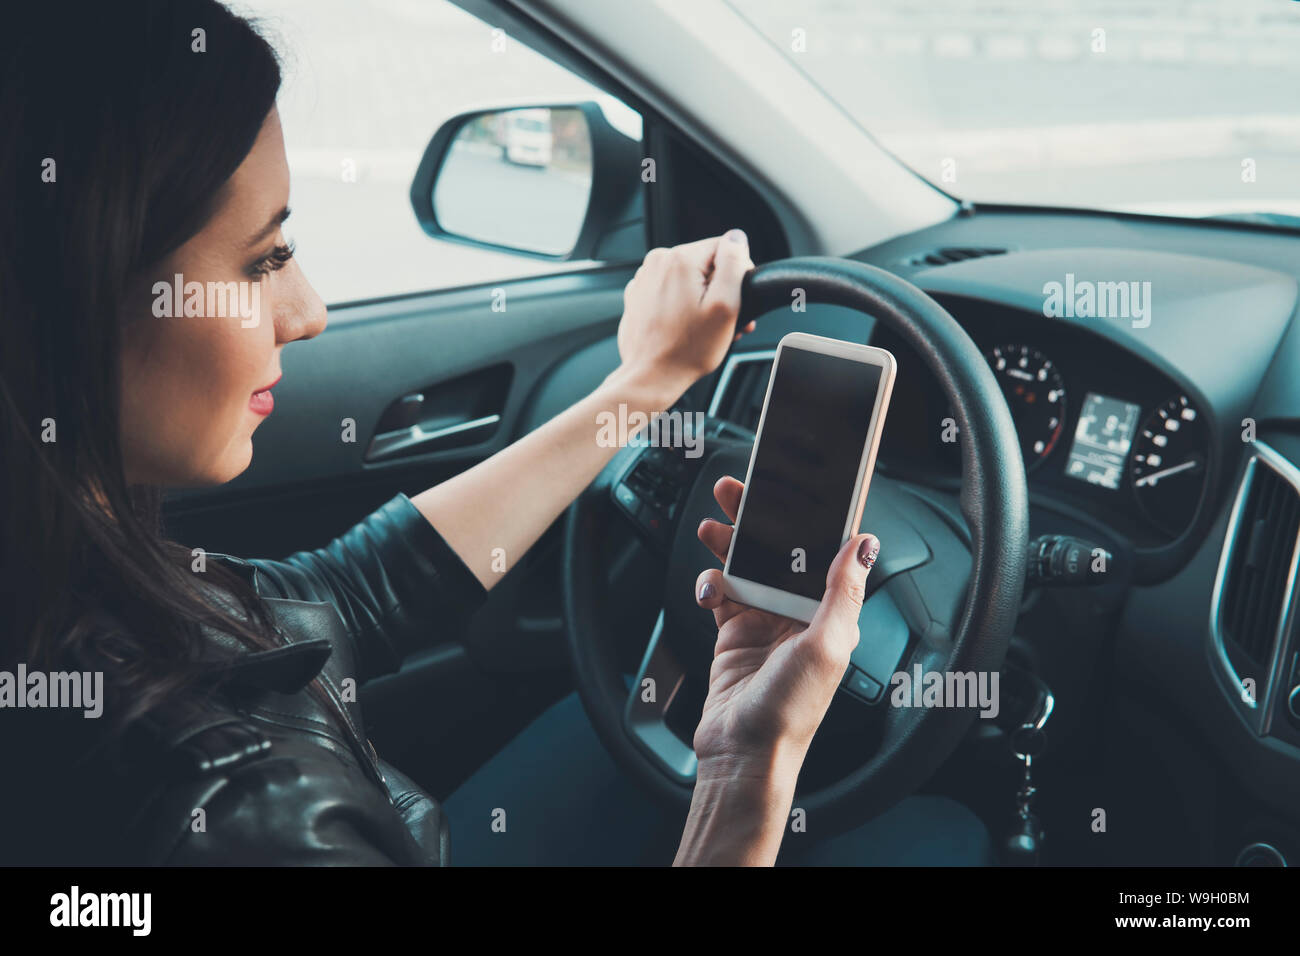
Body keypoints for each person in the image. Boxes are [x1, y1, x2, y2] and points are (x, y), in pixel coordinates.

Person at [0, 0, 992, 866]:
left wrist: (644, 384)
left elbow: (341, 594)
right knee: (937, 835)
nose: (305, 313)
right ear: (70, 299)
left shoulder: (78, 582)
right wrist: (747, 765)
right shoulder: (242, 816)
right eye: (265, 260)